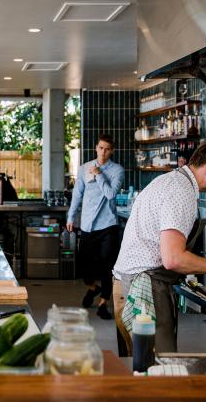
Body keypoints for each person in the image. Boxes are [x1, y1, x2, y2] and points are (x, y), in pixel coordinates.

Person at [112, 138, 206, 352]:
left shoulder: (171, 181)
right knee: (158, 372)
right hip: (144, 288)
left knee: (140, 368)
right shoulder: (180, 192)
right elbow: (173, 258)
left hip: (130, 282)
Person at [67, 134, 125, 320]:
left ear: (112, 151)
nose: (103, 152)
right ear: (96, 148)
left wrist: (99, 175)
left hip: (108, 224)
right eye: (100, 148)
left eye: (107, 149)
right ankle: (93, 288)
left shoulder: (117, 170)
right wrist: (70, 216)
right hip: (87, 224)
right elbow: (77, 194)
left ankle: (103, 303)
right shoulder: (84, 168)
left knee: (107, 266)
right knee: (84, 266)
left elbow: (110, 194)